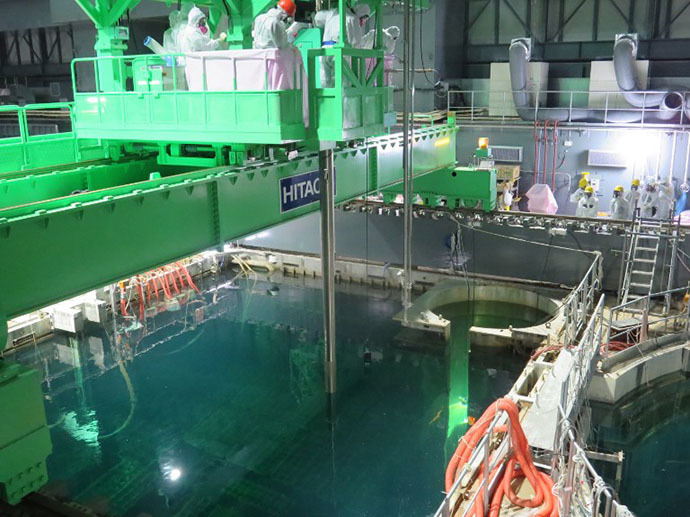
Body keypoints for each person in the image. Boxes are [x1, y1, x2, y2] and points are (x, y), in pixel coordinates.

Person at [314, 4, 371, 87]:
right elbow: (356, 43)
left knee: (325, 84)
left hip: (325, 52)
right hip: (339, 55)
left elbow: (317, 18)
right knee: (341, 85)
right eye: (363, 19)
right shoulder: (353, 18)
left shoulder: (334, 12)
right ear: (361, 15)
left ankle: (326, 100)